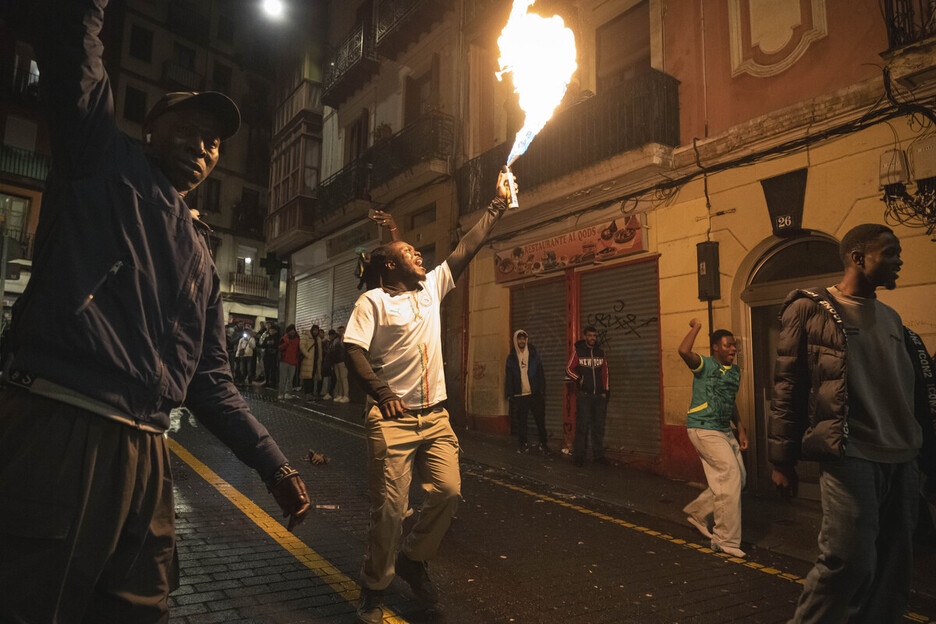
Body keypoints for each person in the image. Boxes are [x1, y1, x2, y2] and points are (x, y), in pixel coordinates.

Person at [0, 1, 310, 621]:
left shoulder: (202, 256)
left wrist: (272, 463)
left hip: (148, 452)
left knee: (144, 606)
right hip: (62, 427)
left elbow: (210, 380)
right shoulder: (98, 158)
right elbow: (74, 46)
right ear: (149, 131)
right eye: (186, 128)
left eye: (213, 142)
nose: (202, 146)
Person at [344, 170, 517, 623]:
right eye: (408, 252)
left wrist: (497, 205)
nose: (419, 254)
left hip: (436, 418)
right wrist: (382, 393)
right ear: (389, 266)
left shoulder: (431, 289)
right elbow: (353, 350)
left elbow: (466, 247)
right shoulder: (372, 303)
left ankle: (412, 559)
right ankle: (374, 588)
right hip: (392, 421)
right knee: (389, 511)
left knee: (448, 492)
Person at [769, 223, 936, 622]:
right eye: (890, 253)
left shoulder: (893, 319)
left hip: (903, 458)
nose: (899, 261)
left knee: (895, 570)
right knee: (848, 562)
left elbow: (913, 392)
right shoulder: (810, 308)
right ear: (858, 258)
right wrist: (781, 460)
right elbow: (788, 385)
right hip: (851, 454)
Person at [678, 319, 748, 558]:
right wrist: (696, 328)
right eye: (728, 345)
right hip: (703, 427)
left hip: (724, 429)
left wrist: (740, 428)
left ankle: (698, 512)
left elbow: (729, 400)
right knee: (729, 475)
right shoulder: (704, 364)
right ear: (716, 347)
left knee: (739, 478)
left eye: (734, 345)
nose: (733, 349)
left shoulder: (734, 371)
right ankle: (724, 539)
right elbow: (683, 351)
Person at [566, 325, 610, 467]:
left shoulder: (600, 353)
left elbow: (605, 373)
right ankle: (579, 456)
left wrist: (605, 392)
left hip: (598, 397)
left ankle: (598, 456)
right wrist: (579, 379)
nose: (592, 338)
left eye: (594, 336)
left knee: (598, 427)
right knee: (582, 427)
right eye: (590, 335)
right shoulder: (578, 352)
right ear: (585, 337)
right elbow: (569, 369)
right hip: (584, 396)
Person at [505, 329, 549, 454]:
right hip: (520, 395)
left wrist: (541, 391)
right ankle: (523, 445)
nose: (522, 341)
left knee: (540, 421)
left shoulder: (533, 355)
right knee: (522, 423)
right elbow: (509, 377)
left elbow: (540, 373)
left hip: (534, 394)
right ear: (515, 340)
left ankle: (543, 444)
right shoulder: (511, 358)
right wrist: (510, 394)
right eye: (519, 339)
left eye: (524, 339)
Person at [299, 325, 324, 398]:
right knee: (307, 377)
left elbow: (319, 350)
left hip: (315, 361)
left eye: (317, 330)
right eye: (314, 330)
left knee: (312, 376)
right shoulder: (306, 337)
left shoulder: (318, 339)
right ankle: (308, 393)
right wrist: (308, 355)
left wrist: (320, 359)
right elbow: (302, 346)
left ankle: (311, 392)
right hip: (308, 360)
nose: (315, 332)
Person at [278, 324, 301, 400]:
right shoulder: (284, 339)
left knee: (290, 379)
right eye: (291, 330)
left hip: (293, 362)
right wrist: (286, 343)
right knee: (283, 379)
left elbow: (298, 350)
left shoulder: (297, 339)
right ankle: (281, 393)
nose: (292, 332)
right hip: (284, 361)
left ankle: (288, 393)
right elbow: (280, 348)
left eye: (293, 330)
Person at [332, 325, 350, 403]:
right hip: (336, 361)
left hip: (343, 361)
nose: (340, 332)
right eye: (339, 331)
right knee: (339, 379)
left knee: (343, 379)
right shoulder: (336, 340)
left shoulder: (346, 339)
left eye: (342, 331)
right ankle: (340, 394)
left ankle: (346, 395)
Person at [321, 329, 338, 400]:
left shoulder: (334, 342)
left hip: (333, 363)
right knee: (331, 378)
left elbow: (332, 353)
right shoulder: (330, 342)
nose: (331, 336)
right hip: (331, 363)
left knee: (333, 378)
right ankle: (330, 393)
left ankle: (330, 393)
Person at [262, 323, 280, 388]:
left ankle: (273, 382)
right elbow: (262, 345)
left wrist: (274, 343)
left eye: (273, 330)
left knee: (273, 370)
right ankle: (267, 381)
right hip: (267, 355)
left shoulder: (278, 338)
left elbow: (279, 346)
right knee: (266, 369)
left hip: (274, 356)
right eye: (270, 330)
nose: (271, 331)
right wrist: (267, 343)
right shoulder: (267, 337)